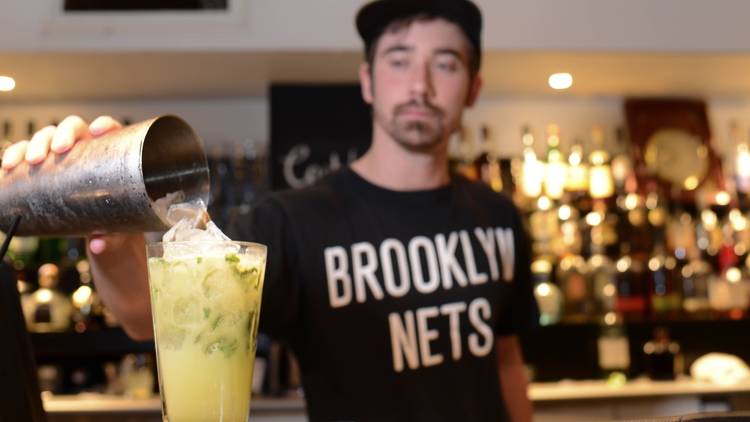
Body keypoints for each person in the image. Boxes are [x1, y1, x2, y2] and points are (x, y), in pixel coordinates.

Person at [1, 0, 539, 420]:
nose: (420, 85)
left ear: (474, 88)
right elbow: (146, 317)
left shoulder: (498, 216)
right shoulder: (295, 220)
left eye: (445, 63)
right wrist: (111, 227)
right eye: (399, 60)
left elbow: (506, 363)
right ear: (368, 81)